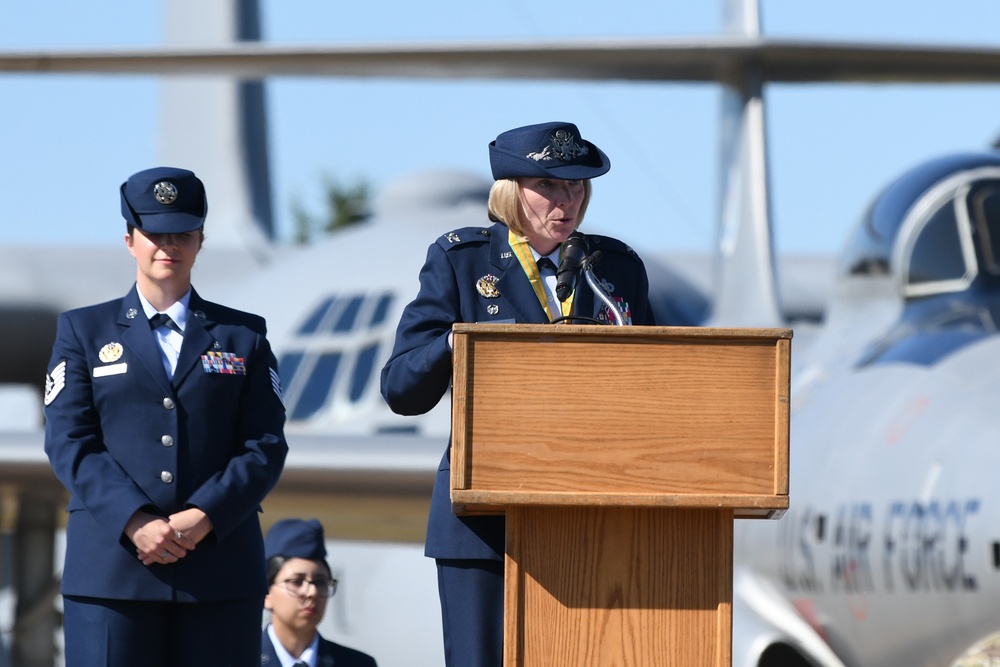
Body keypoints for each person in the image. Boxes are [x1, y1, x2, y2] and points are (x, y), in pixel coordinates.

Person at [379, 121, 657, 666]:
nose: (566, 200)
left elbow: (656, 388)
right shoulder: (463, 261)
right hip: (483, 520)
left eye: (576, 187)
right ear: (510, 191)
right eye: (549, 186)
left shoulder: (615, 270)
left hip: (590, 515)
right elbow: (401, 387)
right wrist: (458, 345)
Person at [42, 167, 288, 666]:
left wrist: (204, 517)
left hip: (218, 571)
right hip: (113, 573)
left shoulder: (244, 336)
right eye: (155, 233)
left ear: (200, 241)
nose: (167, 245)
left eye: (182, 233)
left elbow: (264, 444)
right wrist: (134, 520)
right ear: (130, 239)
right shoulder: (83, 332)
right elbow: (70, 441)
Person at [261, 518, 378, 667]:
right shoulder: (237, 661)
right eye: (296, 582)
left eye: (321, 582)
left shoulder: (357, 663)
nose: (312, 592)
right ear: (266, 593)